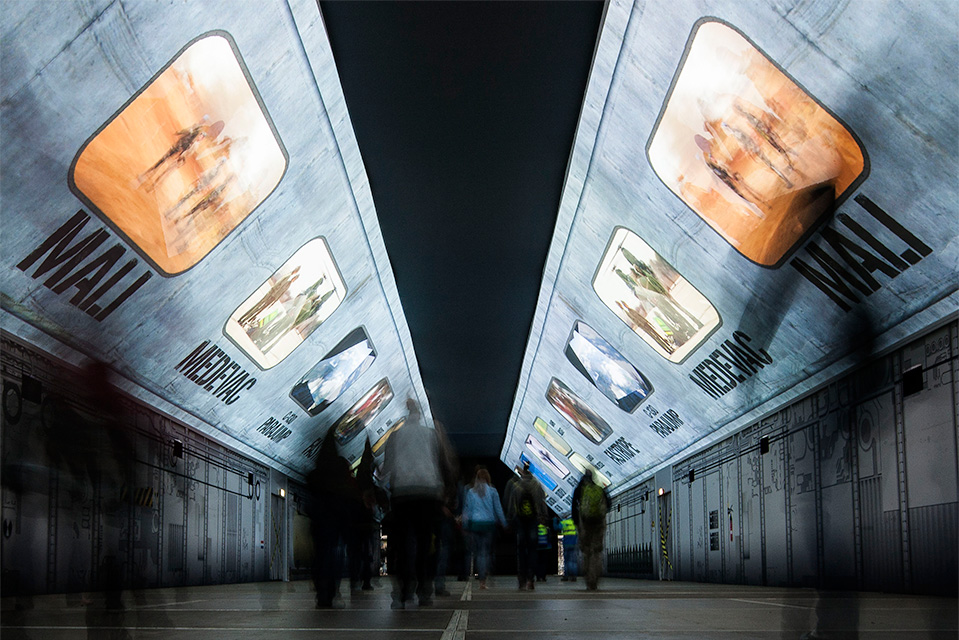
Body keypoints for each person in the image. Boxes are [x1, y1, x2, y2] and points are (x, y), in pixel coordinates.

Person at [381, 398, 454, 608]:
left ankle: (404, 592)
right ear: (420, 416)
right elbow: (443, 464)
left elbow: (386, 468)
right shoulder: (430, 435)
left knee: (402, 544)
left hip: (402, 494)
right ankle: (424, 591)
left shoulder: (395, 436)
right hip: (428, 494)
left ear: (405, 416)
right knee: (426, 545)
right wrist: (446, 492)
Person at [460, 466, 507, 589]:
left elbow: (467, 510)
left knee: (478, 553)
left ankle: (480, 576)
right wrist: (504, 523)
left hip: (475, 525)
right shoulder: (492, 491)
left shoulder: (471, 492)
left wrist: (465, 525)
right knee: (485, 552)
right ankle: (484, 577)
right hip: (488, 525)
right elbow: (498, 509)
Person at [506, 463, 546, 590]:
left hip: (520, 522)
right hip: (533, 521)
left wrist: (509, 520)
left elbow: (511, 505)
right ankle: (530, 579)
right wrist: (544, 517)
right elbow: (542, 502)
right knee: (533, 551)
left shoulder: (517, 486)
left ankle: (521, 579)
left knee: (521, 551)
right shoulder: (537, 485)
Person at [572, 470, 610, 591]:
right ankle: (595, 578)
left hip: (585, 523)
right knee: (597, 551)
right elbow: (609, 504)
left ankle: (588, 578)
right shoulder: (599, 489)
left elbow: (573, 507)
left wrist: (577, 522)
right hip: (598, 523)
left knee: (586, 551)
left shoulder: (579, 490)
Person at [559, 515, 579, 581]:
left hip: (566, 544)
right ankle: (574, 576)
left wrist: (555, 520)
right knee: (573, 561)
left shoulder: (563, 522)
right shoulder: (575, 523)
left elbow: (556, 527)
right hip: (574, 543)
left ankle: (566, 576)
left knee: (566, 561)